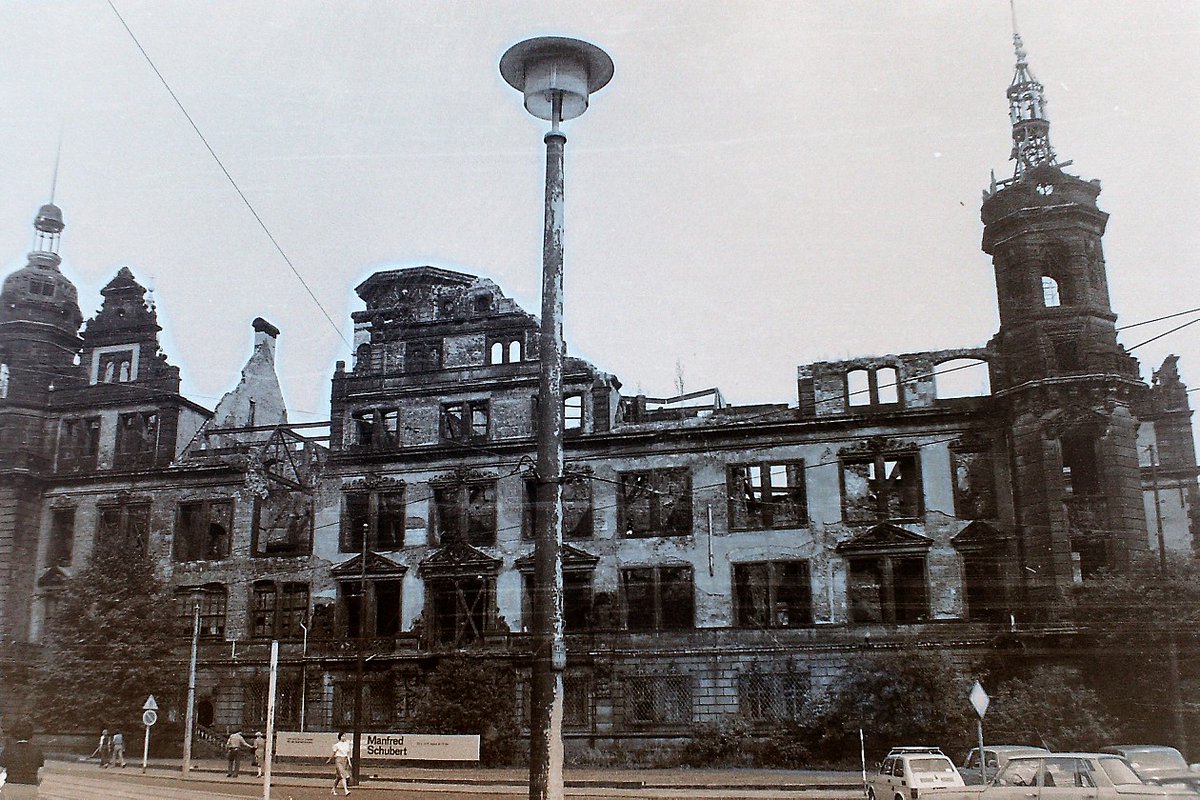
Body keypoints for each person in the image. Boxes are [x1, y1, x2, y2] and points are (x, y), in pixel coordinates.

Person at [0, 721, 45, 799]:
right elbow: (40, 775)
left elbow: (0, 769)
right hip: (31, 788)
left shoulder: (8, 750)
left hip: (11, 787)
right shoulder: (37, 750)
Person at [327, 731, 352, 795]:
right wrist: (330, 759)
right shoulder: (337, 745)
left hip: (345, 760)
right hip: (338, 760)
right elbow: (334, 753)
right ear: (340, 737)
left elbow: (348, 754)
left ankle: (333, 789)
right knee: (343, 776)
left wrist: (349, 762)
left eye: (345, 736)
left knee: (339, 777)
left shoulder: (347, 744)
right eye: (343, 736)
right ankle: (346, 790)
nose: (344, 737)